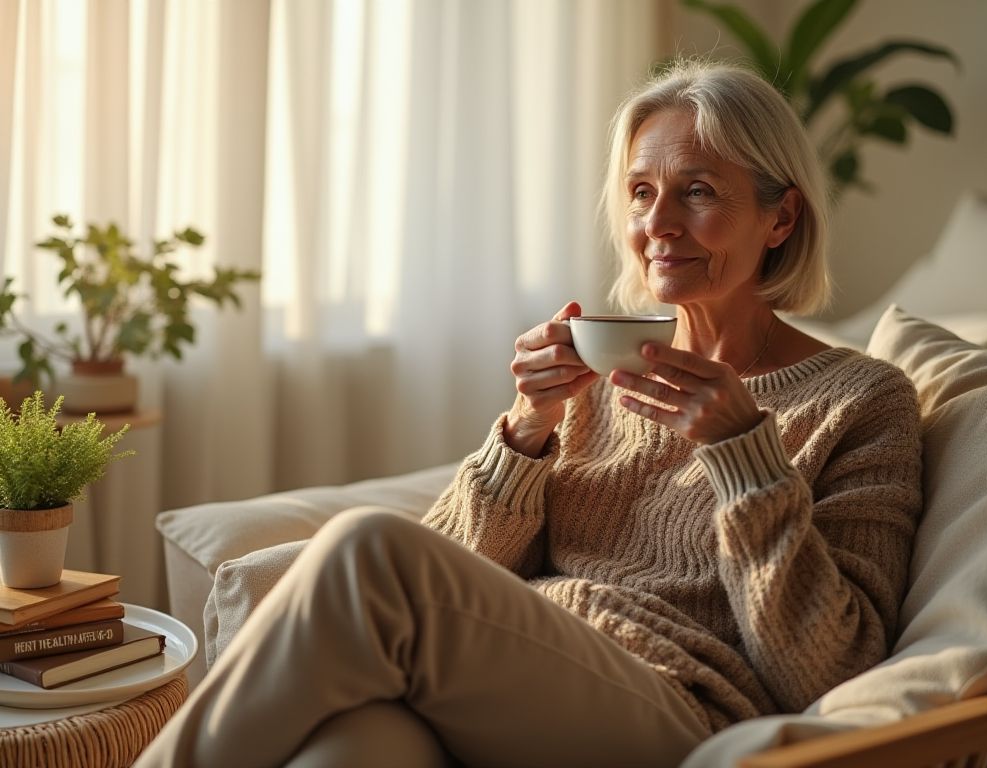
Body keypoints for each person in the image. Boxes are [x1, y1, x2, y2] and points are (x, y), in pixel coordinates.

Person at [136, 59, 922, 768]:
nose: (658, 225)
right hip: (529, 675)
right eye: (642, 193)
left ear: (779, 219)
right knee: (352, 748)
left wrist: (744, 454)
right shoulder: (603, 372)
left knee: (366, 547)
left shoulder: (862, 401)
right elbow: (456, 569)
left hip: (682, 708)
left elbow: (835, 672)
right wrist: (527, 429)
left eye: (700, 191)